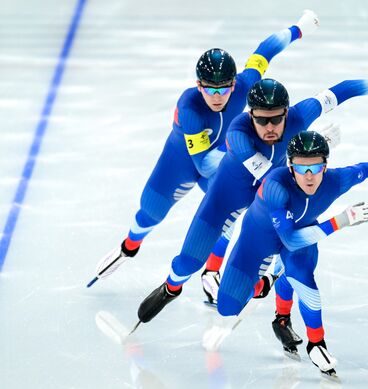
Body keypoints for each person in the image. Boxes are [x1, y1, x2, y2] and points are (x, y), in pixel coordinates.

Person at [135, 77, 368, 334]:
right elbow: (271, 174)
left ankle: (274, 285)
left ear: (287, 112)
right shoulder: (239, 134)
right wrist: (315, 148)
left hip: (266, 206)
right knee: (189, 261)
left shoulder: (301, 116)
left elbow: (346, 89)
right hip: (224, 201)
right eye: (262, 120)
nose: (270, 127)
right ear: (251, 117)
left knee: (232, 301)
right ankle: (171, 288)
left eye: (277, 119)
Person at [89, 10, 321, 290]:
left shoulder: (244, 84)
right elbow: (203, 165)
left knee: (229, 210)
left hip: (221, 160)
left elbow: (264, 52)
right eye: (209, 89)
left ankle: (211, 271)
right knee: (151, 212)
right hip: (182, 164)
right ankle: (130, 246)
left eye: (223, 89)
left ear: (233, 84)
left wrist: (298, 29)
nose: (217, 96)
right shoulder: (189, 107)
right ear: (198, 85)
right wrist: (243, 154)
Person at [216, 131, 368, 376]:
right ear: (290, 167)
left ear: (325, 166)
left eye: (316, 166)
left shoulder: (337, 180)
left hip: (304, 232)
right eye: (300, 167)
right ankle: (268, 285)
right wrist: (341, 221)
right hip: (260, 237)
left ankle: (314, 341)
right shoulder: (277, 187)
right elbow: (289, 239)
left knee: (303, 277)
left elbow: (364, 169)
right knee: (227, 308)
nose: (309, 176)